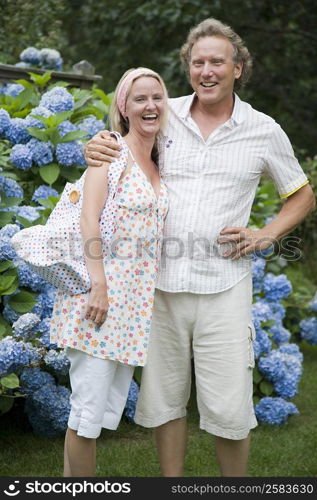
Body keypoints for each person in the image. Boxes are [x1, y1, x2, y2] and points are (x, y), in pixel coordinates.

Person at [84, 18, 316, 477]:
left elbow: (302, 193)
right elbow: (122, 138)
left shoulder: (263, 130)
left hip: (226, 285)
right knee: (165, 398)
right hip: (161, 285)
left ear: (238, 69)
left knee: (230, 407)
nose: (206, 71)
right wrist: (97, 144)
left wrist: (266, 234)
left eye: (217, 62)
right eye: (198, 63)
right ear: (188, 68)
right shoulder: (163, 114)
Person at [49, 67, 169, 477]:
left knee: (93, 417)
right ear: (123, 106)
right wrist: (98, 285)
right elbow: (88, 220)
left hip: (131, 312)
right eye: (140, 98)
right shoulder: (111, 153)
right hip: (98, 302)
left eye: (157, 97)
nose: (150, 105)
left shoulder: (158, 160)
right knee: (86, 416)